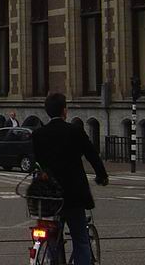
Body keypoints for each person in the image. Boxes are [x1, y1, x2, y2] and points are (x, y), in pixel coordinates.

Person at [32, 93, 109, 265]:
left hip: (49, 195)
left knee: (52, 234)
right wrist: (101, 175)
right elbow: (92, 155)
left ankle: (53, 258)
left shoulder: (38, 134)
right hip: (73, 194)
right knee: (80, 238)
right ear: (64, 111)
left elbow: (35, 162)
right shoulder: (75, 131)